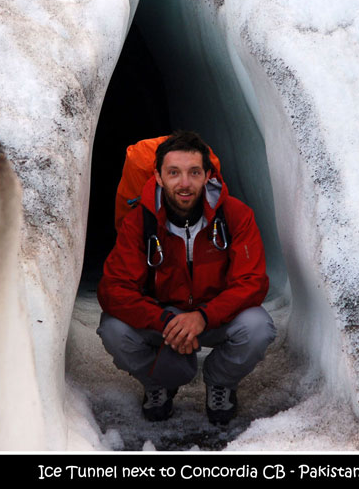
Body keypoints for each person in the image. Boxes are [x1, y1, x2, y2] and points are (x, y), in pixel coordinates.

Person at [96, 130, 276, 424]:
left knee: (258, 326)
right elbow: (114, 290)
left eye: (194, 172)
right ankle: (160, 383)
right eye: (174, 172)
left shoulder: (235, 215)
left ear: (207, 175)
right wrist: (165, 322)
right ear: (158, 176)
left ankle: (220, 380)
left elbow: (252, 282)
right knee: (114, 329)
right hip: (164, 318)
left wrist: (203, 317)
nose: (184, 183)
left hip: (215, 315)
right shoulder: (139, 223)